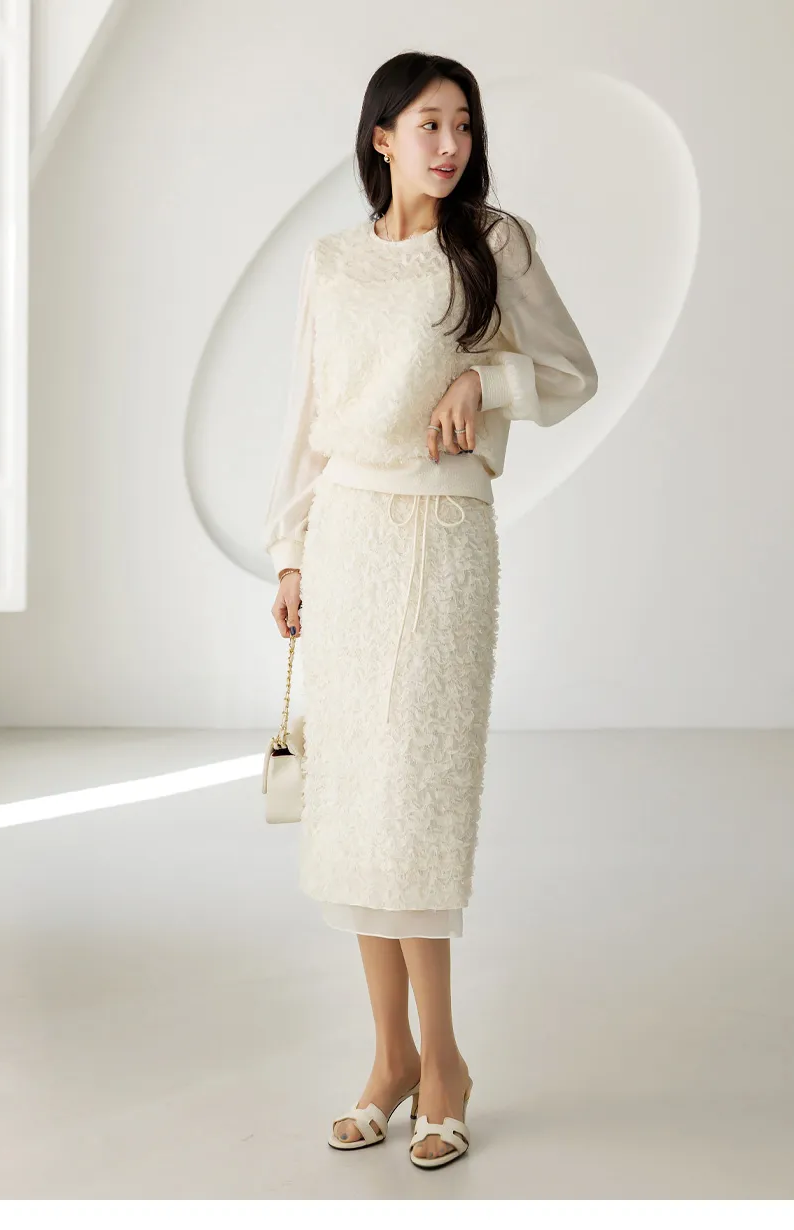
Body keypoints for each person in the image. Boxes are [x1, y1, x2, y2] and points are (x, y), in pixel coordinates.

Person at [263, 52, 598, 1169]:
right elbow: (307, 414)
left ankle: (444, 1061)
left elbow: (569, 371)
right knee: (357, 802)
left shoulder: (493, 244)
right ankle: (389, 1059)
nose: (449, 144)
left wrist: (482, 380)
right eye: (427, 125)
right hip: (348, 538)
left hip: (442, 540)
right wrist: (290, 553)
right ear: (381, 137)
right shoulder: (331, 261)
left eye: (462, 124)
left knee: (415, 802)